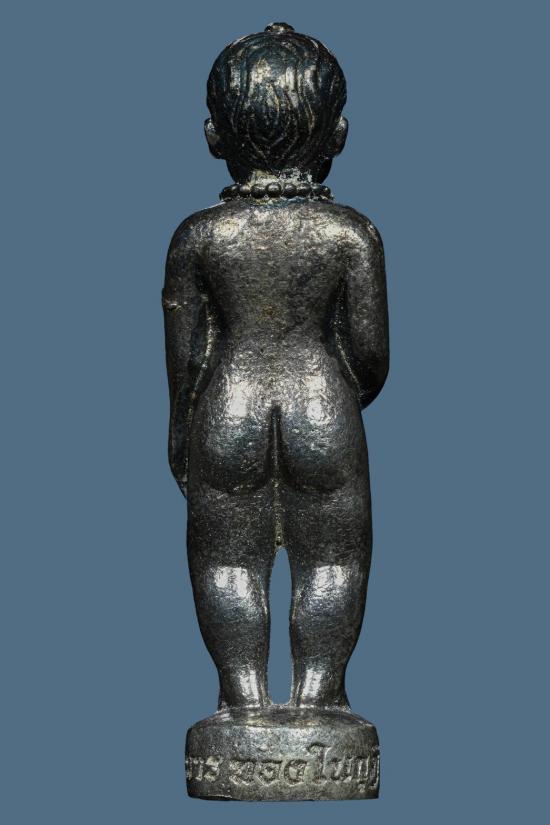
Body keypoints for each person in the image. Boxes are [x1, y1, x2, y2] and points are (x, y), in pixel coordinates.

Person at [163, 23, 389, 712]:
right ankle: (319, 698)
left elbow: (186, 359)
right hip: (323, 404)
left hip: (226, 406)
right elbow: (371, 357)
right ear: (338, 134)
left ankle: (242, 699)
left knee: (226, 560)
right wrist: (341, 394)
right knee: (334, 559)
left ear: (214, 136)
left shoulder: (199, 236)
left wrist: (182, 433)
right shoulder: (350, 234)